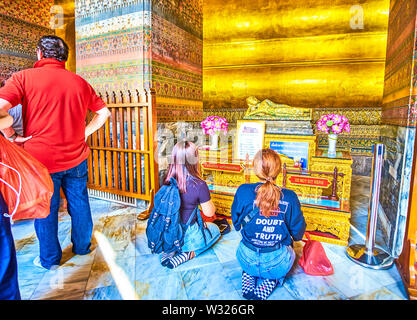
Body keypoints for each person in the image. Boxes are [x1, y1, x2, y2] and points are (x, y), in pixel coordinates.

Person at [0, 35, 111, 270]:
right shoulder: (79, 82)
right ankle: (82, 248)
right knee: (80, 203)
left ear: (39, 53)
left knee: (46, 209)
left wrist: (11, 135)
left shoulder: (23, 78)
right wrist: (84, 133)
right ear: (65, 58)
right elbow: (104, 113)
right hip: (77, 156)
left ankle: (50, 259)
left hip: (40, 161)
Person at [231, 148, 306, 300]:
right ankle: (272, 279)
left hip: (246, 258)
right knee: (292, 249)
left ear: (254, 168)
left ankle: (249, 274)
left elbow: (237, 224)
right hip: (277, 263)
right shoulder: (289, 197)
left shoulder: (243, 190)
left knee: (250, 258)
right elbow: (298, 234)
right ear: (279, 170)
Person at [160, 141, 221, 269]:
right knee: (216, 231)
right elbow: (209, 213)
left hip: (169, 230)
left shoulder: (166, 179)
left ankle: (169, 251)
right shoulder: (199, 185)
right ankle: (188, 254)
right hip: (189, 233)